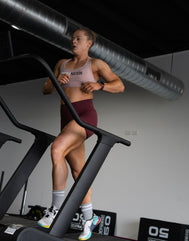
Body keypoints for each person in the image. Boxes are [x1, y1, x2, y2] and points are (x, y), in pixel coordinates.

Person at [38, 28, 125, 240]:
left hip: (85, 114)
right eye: (72, 38)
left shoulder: (96, 64)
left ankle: (55, 210)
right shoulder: (62, 64)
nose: (73, 41)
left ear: (89, 43)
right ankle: (89, 218)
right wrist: (57, 81)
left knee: (56, 149)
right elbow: (45, 89)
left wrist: (100, 85)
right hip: (65, 117)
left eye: (78, 39)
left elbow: (120, 86)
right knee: (78, 172)